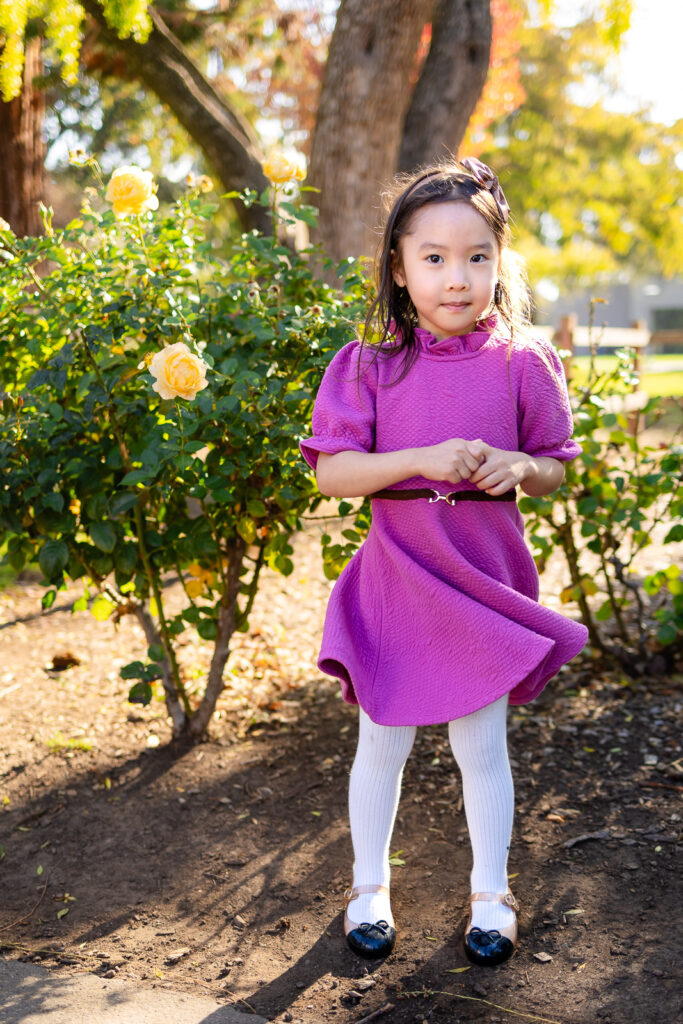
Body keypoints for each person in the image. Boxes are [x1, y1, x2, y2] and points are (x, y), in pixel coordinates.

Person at [300, 159, 588, 966]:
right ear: (398, 266)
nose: (455, 278)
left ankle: (490, 895)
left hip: (480, 581)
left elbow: (553, 463)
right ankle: (368, 886)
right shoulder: (368, 366)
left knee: (480, 745)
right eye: (432, 258)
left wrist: (517, 468)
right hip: (397, 578)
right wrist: (423, 455)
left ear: (500, 261)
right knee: (381, 741)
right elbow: (333, 472)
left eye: (475, 257)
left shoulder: (522, 362)